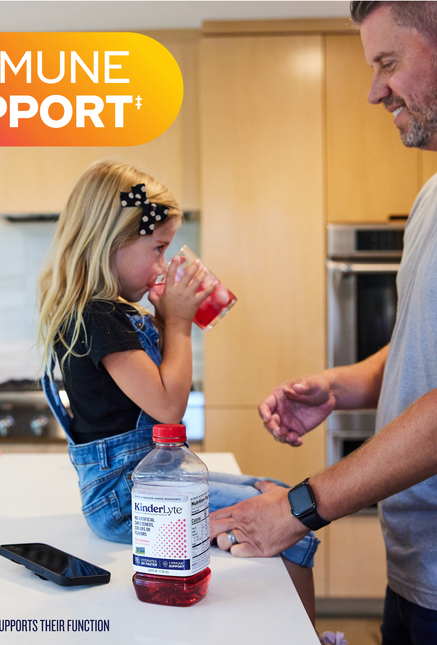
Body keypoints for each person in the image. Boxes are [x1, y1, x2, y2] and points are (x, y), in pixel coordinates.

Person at [210, 2, 437, 641]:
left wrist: (298, 506)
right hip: (416, 565)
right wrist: (344, 386)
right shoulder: (431, 195)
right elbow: (420, 345)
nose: (374, 91)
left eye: (388, 63)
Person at [37, 160, 320, 621]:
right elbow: (168, 407)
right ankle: (307, 635)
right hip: (126, 499)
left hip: (147, 480)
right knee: (294, 522)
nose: (163, 265)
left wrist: (171, 318)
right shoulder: (97, 319)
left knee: (277, 492)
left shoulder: (116, 314)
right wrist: (179, 322)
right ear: (112, 240)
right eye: (158, 248)